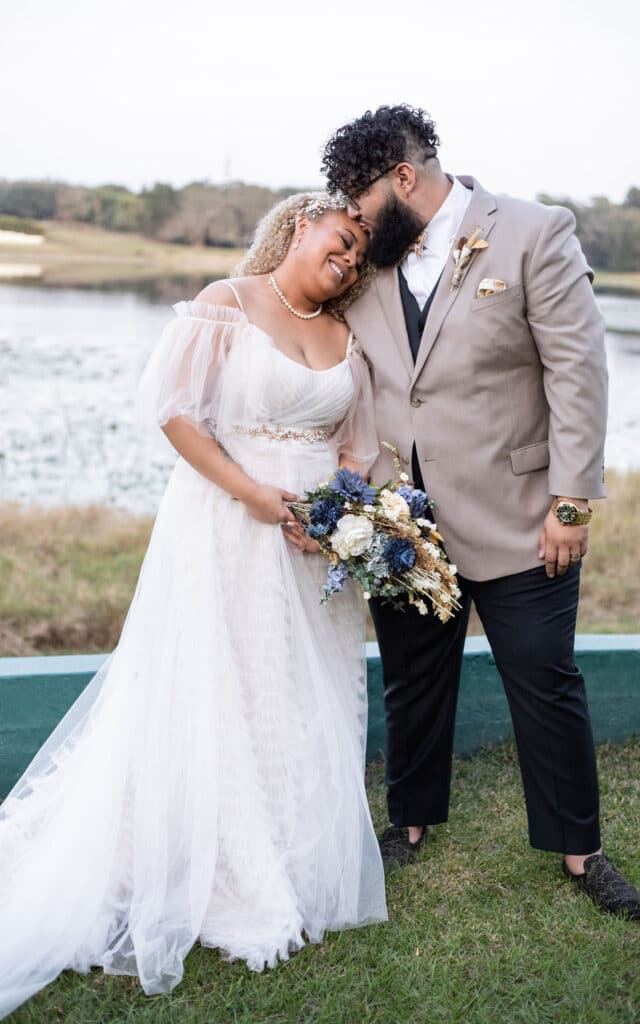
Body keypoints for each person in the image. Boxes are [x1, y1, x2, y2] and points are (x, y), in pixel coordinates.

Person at [0, 192, 387, 1020]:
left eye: (359, 254)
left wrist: (341, 517)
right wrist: (251, 491)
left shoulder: (345, 338)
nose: (349, 259)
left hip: (308, 549)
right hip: (225, 524)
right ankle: (202, 856)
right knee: (220, 683)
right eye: (343, 239)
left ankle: (285, 854)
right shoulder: (226, 304)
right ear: (299, 225)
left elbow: (356, 447)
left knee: (295, 689)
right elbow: (172, 412)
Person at [321, 104, 640, 920]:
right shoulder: (370, 257)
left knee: (544, 677)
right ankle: (411, 820)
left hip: (520, 512)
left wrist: (570, 503)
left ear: (404, 177)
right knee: (412, 683)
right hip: (400, 523)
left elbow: (577, 371)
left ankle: (580, 848)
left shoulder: (535, 232)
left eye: (358, 198)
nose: (352, 218)